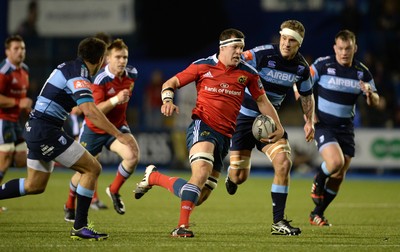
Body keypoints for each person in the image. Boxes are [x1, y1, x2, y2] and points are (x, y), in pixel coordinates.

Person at [134, 28, 284, 238]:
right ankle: (181, 228)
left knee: (200, 194)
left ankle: (155, 177)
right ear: (222, 47)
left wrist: (279, 126)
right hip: (203, 125)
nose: (239, 51)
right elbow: (171, 83)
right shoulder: (202, 66)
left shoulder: (248, 73)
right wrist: (167, 100)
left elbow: (263, 102)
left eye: (241, 47)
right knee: (201, 171)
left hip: (225, 136)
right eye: (235, 47)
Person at [0, 37, 137, 240]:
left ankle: (78, 222)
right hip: (46, 131)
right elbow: (90, 111)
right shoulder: (79, 73)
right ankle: (80, 227)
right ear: (100, 60)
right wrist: (118, 134)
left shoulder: (71, 68)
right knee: (92, 168)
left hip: (39, 128)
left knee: (34, 185)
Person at [224, 20, 315, 236]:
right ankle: (231, 175)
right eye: (284, 38)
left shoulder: (302, 68)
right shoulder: (263, 54)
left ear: (299, 43)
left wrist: (309, 121)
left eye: (292, 40)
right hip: (243, 120)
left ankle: (278, 221)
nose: (286, 43)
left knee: (284, 163)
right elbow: (236, 60)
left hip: (268, 123)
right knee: (239, 177)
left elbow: (306, 96)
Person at [308, 30, 379, 226]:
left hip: (346, 129)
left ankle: (317, 214)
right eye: (340, 48)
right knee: (335, 163)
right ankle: (319, 179)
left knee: (339, 176)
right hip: (324, 125)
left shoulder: (362, 72)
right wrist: (309, 114)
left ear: (355, 48)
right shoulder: (323, 65)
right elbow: (303, 84)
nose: (344, 52)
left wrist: (369, 94)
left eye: (348, 48)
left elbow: (376, 100)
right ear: (335, 48)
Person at [63, 38, 139, 222]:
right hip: (94, 129)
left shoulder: (132, 74)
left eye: (125, 57)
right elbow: (93, 112)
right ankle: (69, 204)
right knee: (83, 171)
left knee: (133, 155)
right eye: (118, 57)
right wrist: (115, 100)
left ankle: (113, 190)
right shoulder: (99, 79)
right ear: (107, 59)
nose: (122, 61)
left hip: (117, 126)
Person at [63, 31, 113, 211]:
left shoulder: (102, 70)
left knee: (91, 163)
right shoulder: (88, 69)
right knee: (87, 163)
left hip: (92, 115)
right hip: (84, 118)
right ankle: (78, 202)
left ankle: (82, 201)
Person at [0, 35, 33, 213]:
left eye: (23, 48)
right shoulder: (4, 71)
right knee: (4, 161)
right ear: (7, 51)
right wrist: (17, 103)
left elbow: (21, 97)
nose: (20, 52)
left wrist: (25, 107)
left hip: (15, 121)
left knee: (21, 159)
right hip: (2, 120)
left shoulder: (25, 70)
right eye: (16, 49)